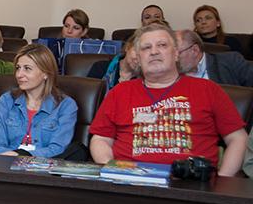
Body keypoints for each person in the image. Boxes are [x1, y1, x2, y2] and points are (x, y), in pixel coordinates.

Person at [89, 24, 248, 176]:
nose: (154, 52)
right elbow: (100, 139)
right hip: (130, 182)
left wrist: (223, 179)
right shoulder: (119, 92)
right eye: (146, 48)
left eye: (162, 45)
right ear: (138, 58)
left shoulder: (208, 89)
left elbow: (238, 138)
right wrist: (114, 172)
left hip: (191, 185)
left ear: (176, 53)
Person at [0, 44, 78, 158]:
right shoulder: (6, 100)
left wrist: (22, 156)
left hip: (44, 165)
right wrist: (12, 157)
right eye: (18, 68)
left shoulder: (66, 105)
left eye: (27, 68)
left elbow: (57, 148)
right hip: (6, 162)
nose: (19, 74)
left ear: (46, 73)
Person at [175, 30, 253, 87]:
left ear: (195, 50)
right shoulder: (171, 72)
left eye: (178, 53)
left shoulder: (231, 61)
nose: (174, 59)